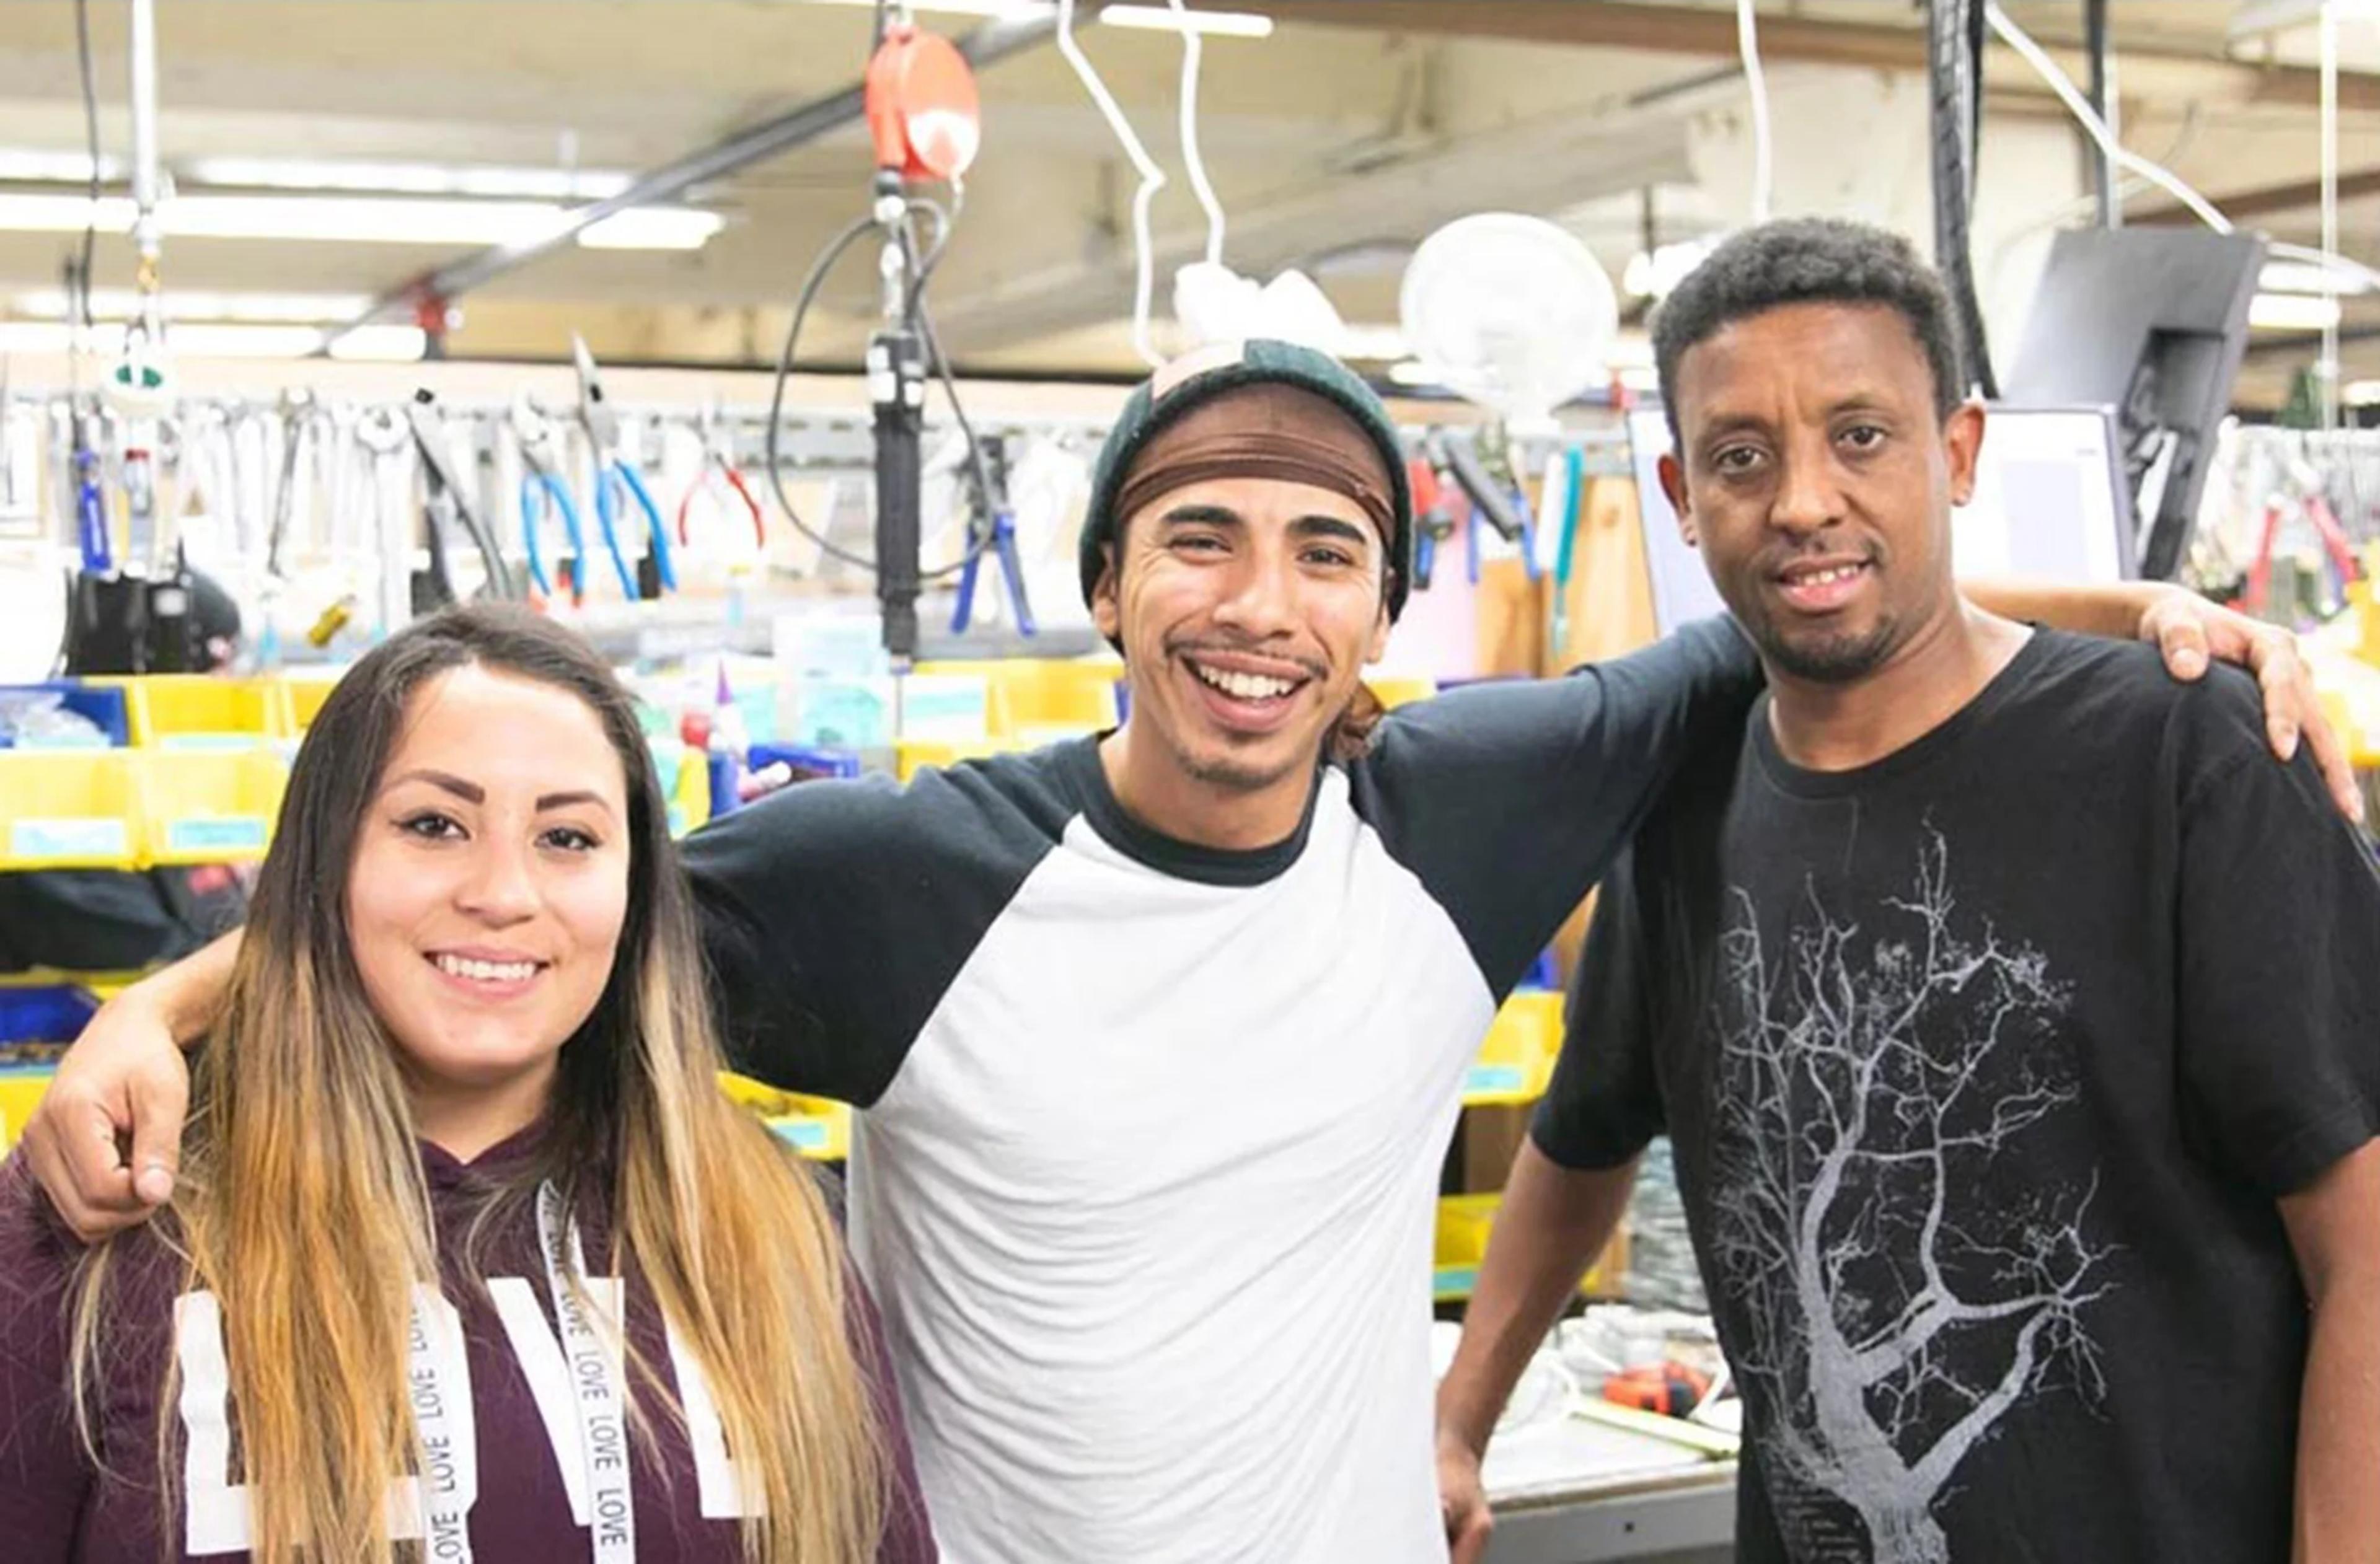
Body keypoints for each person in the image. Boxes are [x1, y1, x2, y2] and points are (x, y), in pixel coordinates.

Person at [15, 341, 2344, 1564]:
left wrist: (2141, 609)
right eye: (1198, 538)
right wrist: (158, 1000)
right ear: (1112, 583)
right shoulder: (904, 878)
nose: (1260, 600)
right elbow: (513, 903)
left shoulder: (1468, 809)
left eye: (1324, 549)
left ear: (1380, 608)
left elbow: (1814, 607)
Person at [1435, 219, 2380, 1564]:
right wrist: (1459, 1421)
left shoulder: (2183, 753)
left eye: (1861, 435)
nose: (1805, 497)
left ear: (1959, 451)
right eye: (1743, 456)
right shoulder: (1688, 790)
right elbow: (1581, 1140)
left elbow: (2366, 1238)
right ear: (1683, 495)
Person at [0, 606, 933, 1563]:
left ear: (635, 889)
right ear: (328, 864)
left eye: (567, 838)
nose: (502, 893)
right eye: (434, 825)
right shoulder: (108, 1216)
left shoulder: (768, 1236)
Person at [0, 569, 249, 975]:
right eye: (218, 661)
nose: (230, 682)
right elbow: (136, 941)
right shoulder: (62, 797)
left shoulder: (183, 782)